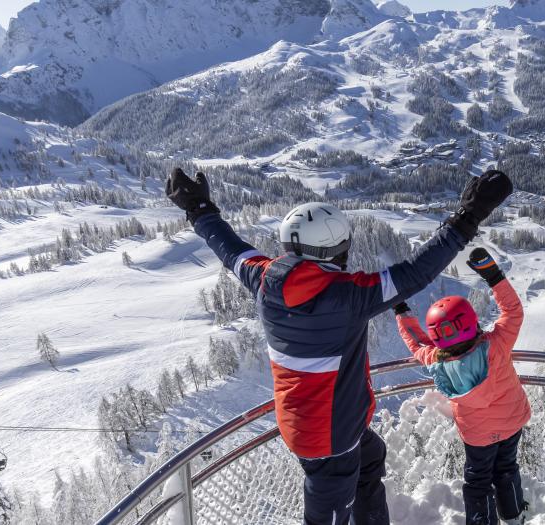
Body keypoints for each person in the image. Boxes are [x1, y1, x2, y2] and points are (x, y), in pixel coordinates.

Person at [167, 167, 513, 525]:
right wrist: (467, 217)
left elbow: (230, 249)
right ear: (337, 249)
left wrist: (199, 209)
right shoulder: (347, 296)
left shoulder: (265, 278)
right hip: (327, 437)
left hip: (313, 422)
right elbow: (416, 273)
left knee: (371, 456)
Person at [393, 247, 530, 525]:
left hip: (478, 435)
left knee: (478, 481)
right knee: (507, 467)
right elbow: (513, 311)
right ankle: (514, 514)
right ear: (473, 321)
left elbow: (417, 342)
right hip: (512, 420)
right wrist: (493, 276)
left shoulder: (435, 360)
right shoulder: (497, 345)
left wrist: (400, 309)